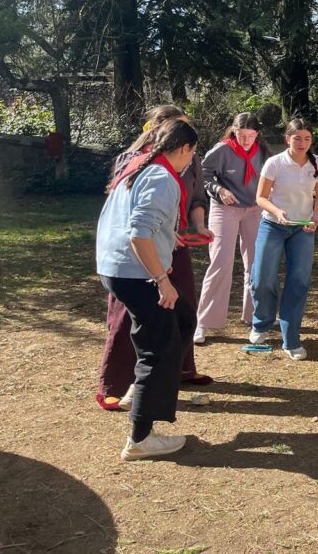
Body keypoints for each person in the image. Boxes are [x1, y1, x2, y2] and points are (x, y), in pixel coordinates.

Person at [95, 119, 200, 460]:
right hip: (136, 274)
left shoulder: (139, 167)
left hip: (116, 268)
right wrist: (162, 280)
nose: (191, 161)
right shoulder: (161, 177)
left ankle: (140, 392)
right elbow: (138, 234)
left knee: (183, 321)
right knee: (159, 347)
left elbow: (134, 223)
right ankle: (140, 438)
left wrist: (167, 237)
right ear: (185, 148)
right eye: (192, 154)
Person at [249, 117, 318, 360]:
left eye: (307, 138)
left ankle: (291, 339)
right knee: (262, 279)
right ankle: (261, 323)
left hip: (302, 229)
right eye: (297, 138)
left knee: (298, 281)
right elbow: (261, 198)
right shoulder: (275, 163)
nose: (302, 143)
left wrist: (315, 217)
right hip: (273, 225)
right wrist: (277, 212)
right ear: (287, 139)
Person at [194, 112, 270, 343]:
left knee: (256, 263)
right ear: (233, 131)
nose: (245, 140)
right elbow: (203, 176)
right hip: (224, 208)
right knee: (220, 262)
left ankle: (254, 316)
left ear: (257, 134)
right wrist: (219, 190)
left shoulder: (263, 152)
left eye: (250, 135)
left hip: (254, 209)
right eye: (241, 135)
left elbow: (272, 177)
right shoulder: (221, 150)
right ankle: (204, 322)